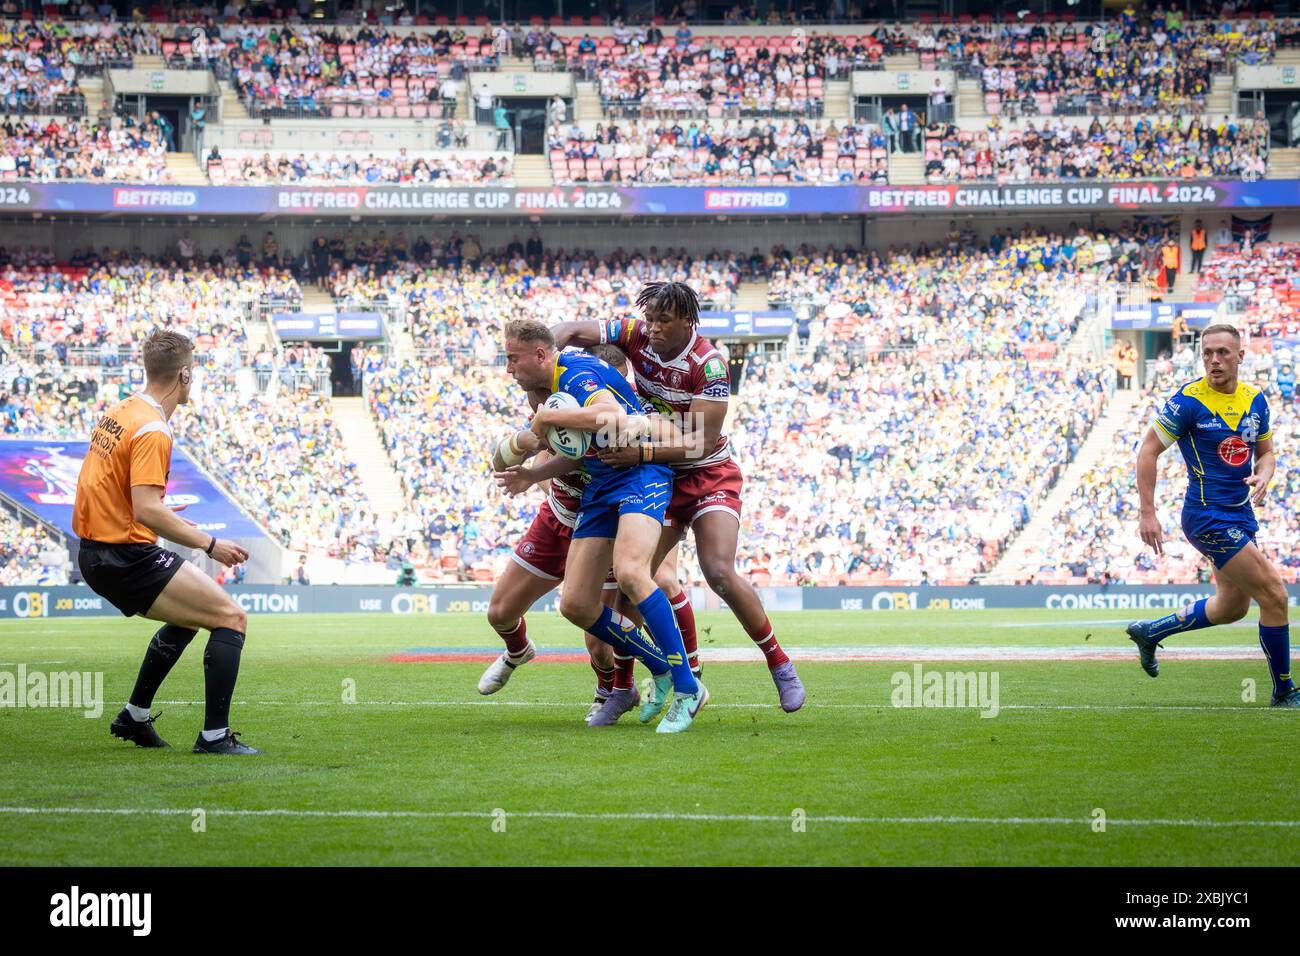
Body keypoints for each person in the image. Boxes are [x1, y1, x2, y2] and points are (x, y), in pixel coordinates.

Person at [553, 282, 806, 712]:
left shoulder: (709, 365)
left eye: (662, 321)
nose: (651, 329)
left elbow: (702, 443)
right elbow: (568, 331)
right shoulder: (634, 334)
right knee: (634, 581)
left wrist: (641, 451)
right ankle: (625, 688)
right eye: (649, 319)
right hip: (658, 473)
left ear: (688, 320)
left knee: (719, 571)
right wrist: (549, 363)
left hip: (707, 473)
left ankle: (779, 663)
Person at [505, 320, 708, 733]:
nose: (508, 367)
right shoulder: (557, 385)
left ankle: (688, 687)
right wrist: (530, 472)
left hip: (639, 474)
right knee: (575, 604)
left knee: (634, 573)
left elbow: (611, 414)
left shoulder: (576, 373)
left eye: (512, 358)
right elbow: (582, 448)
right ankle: (658, 666)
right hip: (601, 481)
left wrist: (547, 418)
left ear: (540, 354)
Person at [71, 330, 261, 754]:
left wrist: (143, 513)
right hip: (123, 555)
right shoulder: (154, 429)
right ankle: (214, 738)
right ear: (185, 374)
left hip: (100, 549)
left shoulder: (122, 410)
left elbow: (106, 487)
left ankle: (135, 716)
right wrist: (212, 544)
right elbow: (147, 509)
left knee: (191, 615)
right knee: (231, 618)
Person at [1128, 324, 1300, 708]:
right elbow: (1148, 452)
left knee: (1231, 607)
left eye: (1223, 353)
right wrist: (1148, 513)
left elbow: (1267, 453)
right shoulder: (1188, 401)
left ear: (1241, 356)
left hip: (1241, 515)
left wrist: (1265, 474)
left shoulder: (1255, 399)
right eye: (1207, 353)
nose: (1214, 360)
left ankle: (1150, 632)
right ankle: (1285, 690)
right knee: (1275, 595)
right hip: (1207, 516)